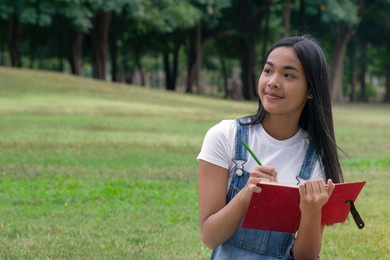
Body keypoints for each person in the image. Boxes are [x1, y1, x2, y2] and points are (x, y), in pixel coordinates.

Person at [197, 35, 344, 260]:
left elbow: (305, 256)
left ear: (311, 90)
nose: (273, 81)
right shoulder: (225, 136)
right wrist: (247, 194)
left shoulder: (315, 159)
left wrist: (311, 211)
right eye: (268, 70)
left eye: (288, 75)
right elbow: (210, 236)